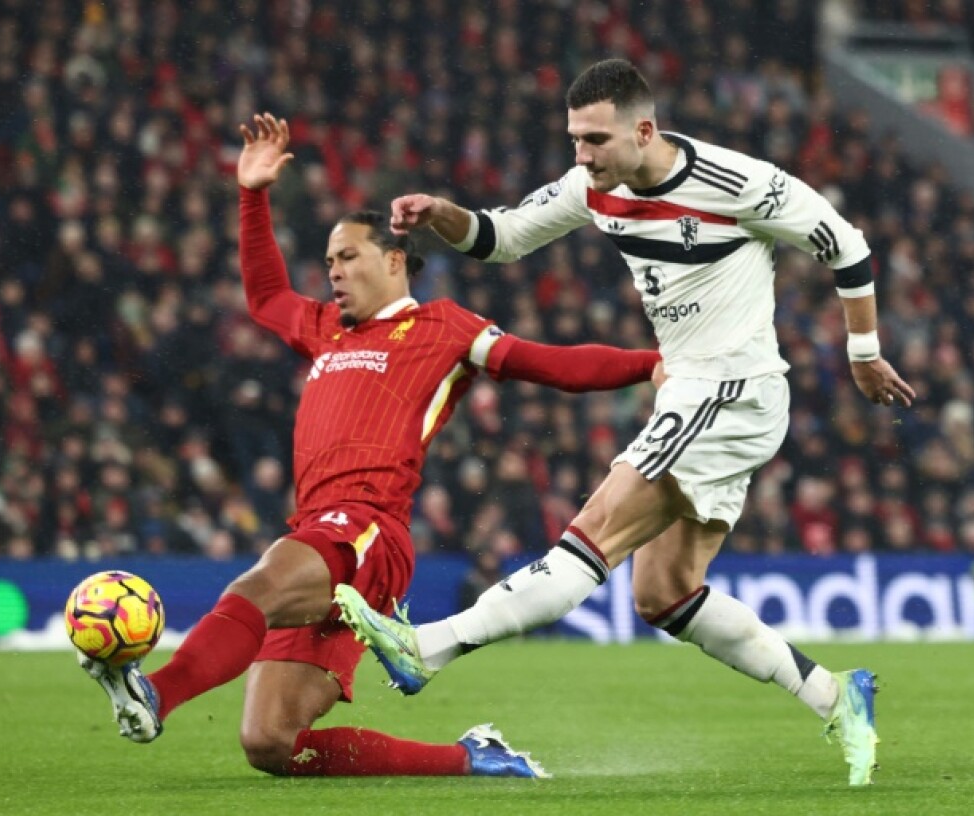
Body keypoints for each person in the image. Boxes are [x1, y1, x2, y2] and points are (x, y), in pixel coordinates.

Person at [334, 59, 914, 787]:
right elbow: (501, 236)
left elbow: (846, 245)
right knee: (663, 594)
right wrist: (438, 212)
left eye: (596, 140)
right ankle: (837, 694)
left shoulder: (737, 183)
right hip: (695, 394)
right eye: (575, 139)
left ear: (644, 130)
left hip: (730, 390)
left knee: (594, 530)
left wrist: (864, 354)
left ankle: (430, 648)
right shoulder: (593, 187)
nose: (582, 156)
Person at [79, 112, 664, 778]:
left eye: (348, 257)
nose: (333, 272)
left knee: (259, 583)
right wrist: (252, 193)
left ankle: (156, 692)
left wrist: (650, 363)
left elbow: (554, 364)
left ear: (392, 259)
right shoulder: (327, 328)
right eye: (328, 261)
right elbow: (268, 296)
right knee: (271, 741)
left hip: (368, 530)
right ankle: (474, 760)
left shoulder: (444, 328)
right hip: (323, 533)